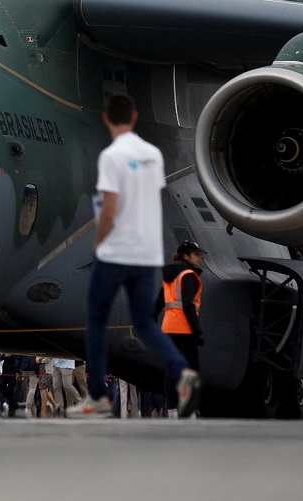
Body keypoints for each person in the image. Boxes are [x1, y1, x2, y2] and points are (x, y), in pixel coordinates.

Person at [72, 95, 200, 419]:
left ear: (106, 119)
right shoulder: (152, 155)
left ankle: (99, 395)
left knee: (96, 319)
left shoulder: (112, 157)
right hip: (147, 252)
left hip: (118, 249)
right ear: (135, 116)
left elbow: (111, 209)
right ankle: (181, 370)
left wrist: (99, 244)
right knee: (143, 322)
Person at [155, 240, 205, 410]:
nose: (200, 258)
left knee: (171, 371)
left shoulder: (169, 276)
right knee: (193, 370)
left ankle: (172, 410)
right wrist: (198, 332)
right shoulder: (188, 275)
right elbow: (188, 306)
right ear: (186, 256)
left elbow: (159, 301)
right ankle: (190, 409)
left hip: (168, 328)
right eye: (197, 254)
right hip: (185, 329)